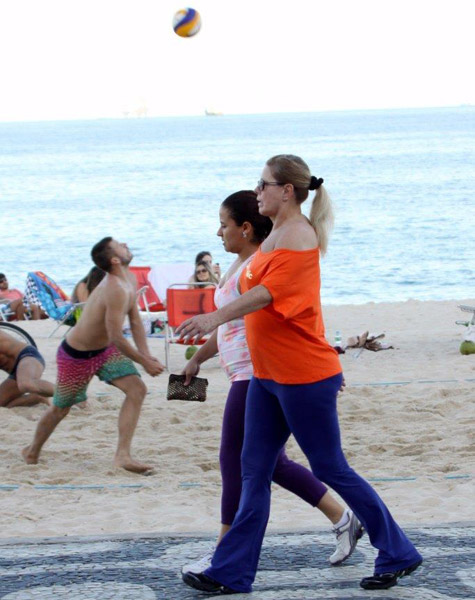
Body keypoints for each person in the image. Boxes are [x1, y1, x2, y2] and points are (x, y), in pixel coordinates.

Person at [178, 155, 422, 594]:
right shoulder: (275, 238)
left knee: (332, 467)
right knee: (253, 470)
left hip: (303, 375)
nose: (257, 192)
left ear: (286, 190)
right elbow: (253, 290)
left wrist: (213, 319)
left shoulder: (299, 237)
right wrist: (206, 347)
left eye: (263, 184)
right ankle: (231, 571)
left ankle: (398, 550)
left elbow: (268, 295)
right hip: (267, 375)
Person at [181, 190, 363, 577]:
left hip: (258, 373)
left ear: (245, 228)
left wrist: (324, 363)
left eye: (224, 224)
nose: (218, 232)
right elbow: (230, 321)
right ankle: (343, 517)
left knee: (236, 461)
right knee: (267, 463)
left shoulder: (260, 267)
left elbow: (295, 316)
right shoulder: (238, 267)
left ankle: (222, 555)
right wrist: (197, 358)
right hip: (244, 373)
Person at [22, 237, 165, 474]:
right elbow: (117, 336)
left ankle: (122, 455)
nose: (126, 244)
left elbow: (136, 321)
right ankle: (32, 450)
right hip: (76, 355)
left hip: (105, 350)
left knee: (137, 390)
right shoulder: (114, 288)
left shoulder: (128, 278)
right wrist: (143, 362)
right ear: (115, 259)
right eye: (120, 245)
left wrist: (147, 355)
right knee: (61, 408)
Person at [0, 329, 53, 408]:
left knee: (26, 384)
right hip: (14, 375)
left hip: (27, 355)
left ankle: (71, 394)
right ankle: (37, 398)